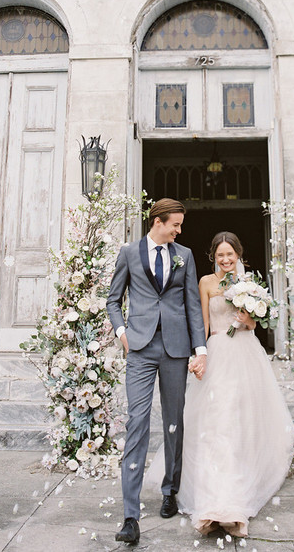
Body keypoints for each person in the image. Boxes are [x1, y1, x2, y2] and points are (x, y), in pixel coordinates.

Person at [176, 231, 294, 537]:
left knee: (239, 424)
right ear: (213, 257)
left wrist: (246, 316)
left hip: (245, 355)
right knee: (216, 426)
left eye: (230, 255)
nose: (225, 260)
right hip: (217, 354)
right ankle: (214, 503)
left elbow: (256, 324)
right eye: (220, 255)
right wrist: (197, 355)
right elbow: (202, 323)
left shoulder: (250, 284)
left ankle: (235, 504)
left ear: (238, 255)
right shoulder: (206, 283)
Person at [106, 198, 207, 546]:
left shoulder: (186, 255)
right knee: (137, 421)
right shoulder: (130, 253)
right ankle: (130, 515)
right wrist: (123, 335)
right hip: (140, 347)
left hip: (177, 349)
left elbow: (192, 303)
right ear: (158, 222)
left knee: (174, 421)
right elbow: (112, 299)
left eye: (180, 225)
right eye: (175, 224)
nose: (180, 230)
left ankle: (170, 490)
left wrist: (201, 349)